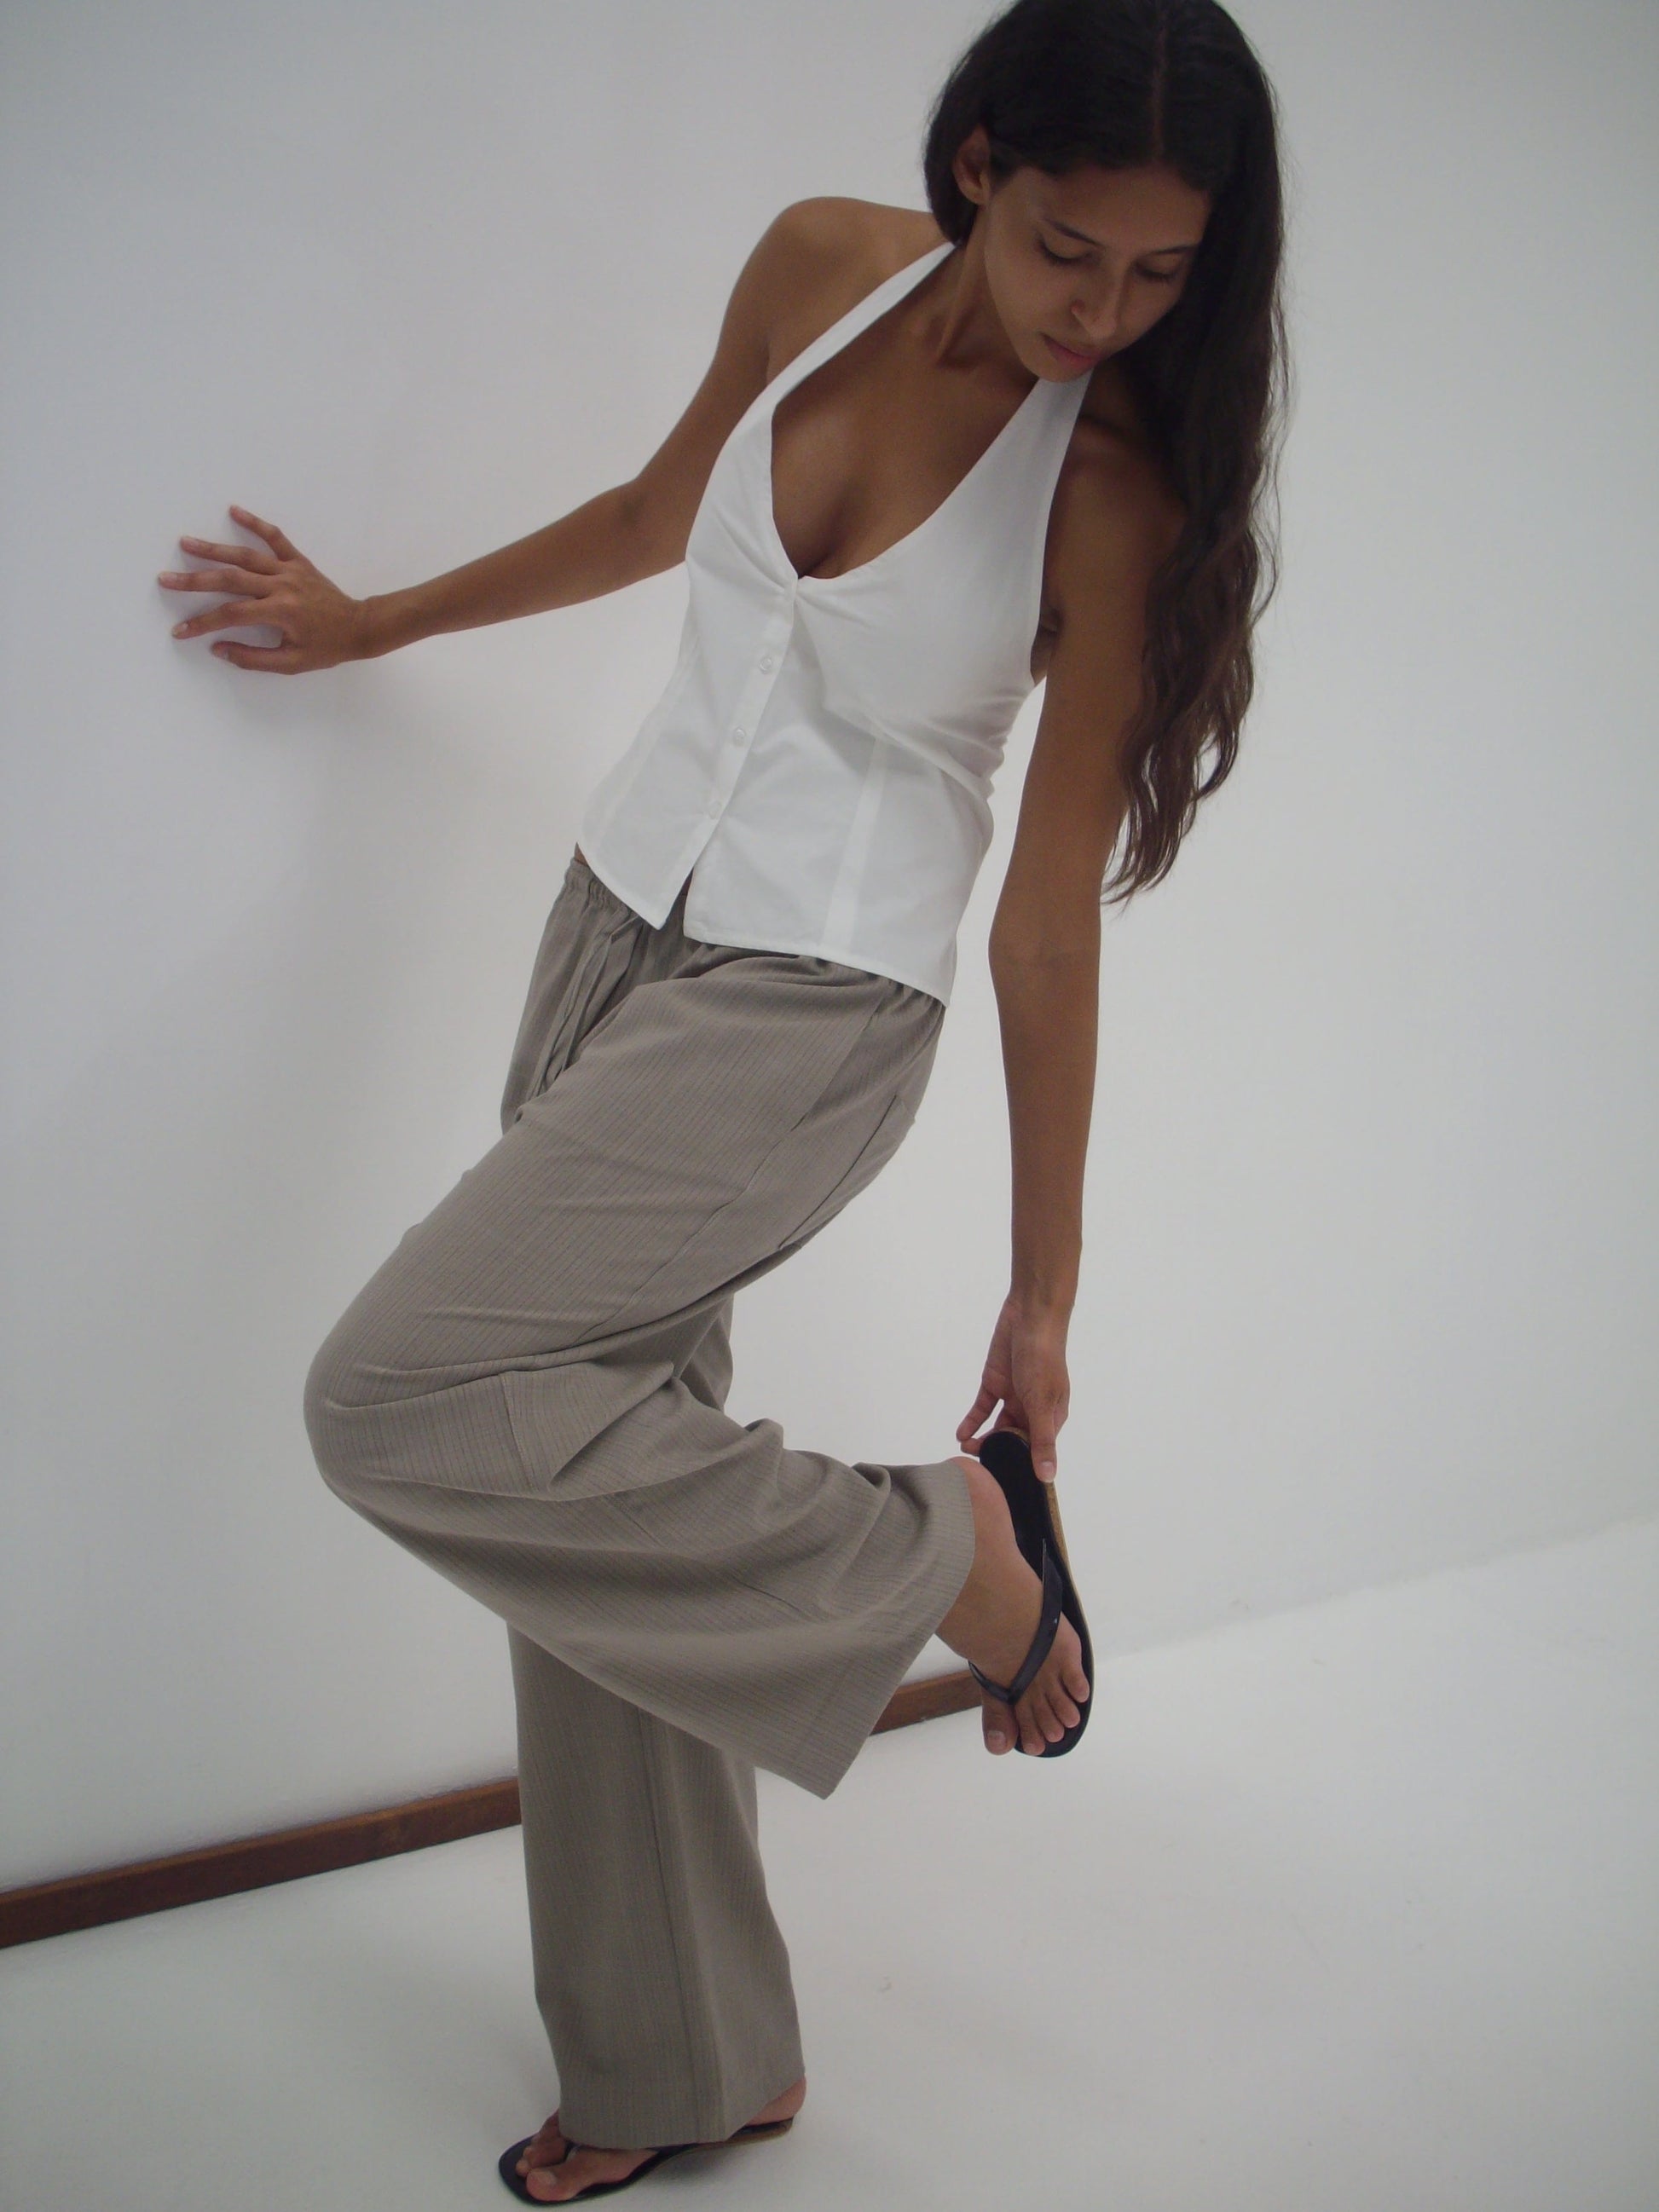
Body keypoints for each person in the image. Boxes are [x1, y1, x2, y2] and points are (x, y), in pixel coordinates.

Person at [155, 0, 1286, 2197]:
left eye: (1162, 276)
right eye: (1073, 247)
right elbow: (662, 514)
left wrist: (1042, 1306)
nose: (1104, 311)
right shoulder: (814, 265)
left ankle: (941, 1554)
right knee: (591, 1507)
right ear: (977, 164)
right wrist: (375, 621)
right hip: (609, 927)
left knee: (390, 1395)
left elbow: (1046, 924)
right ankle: (691, 2066)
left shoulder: (1116, 489)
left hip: (812, 1011)